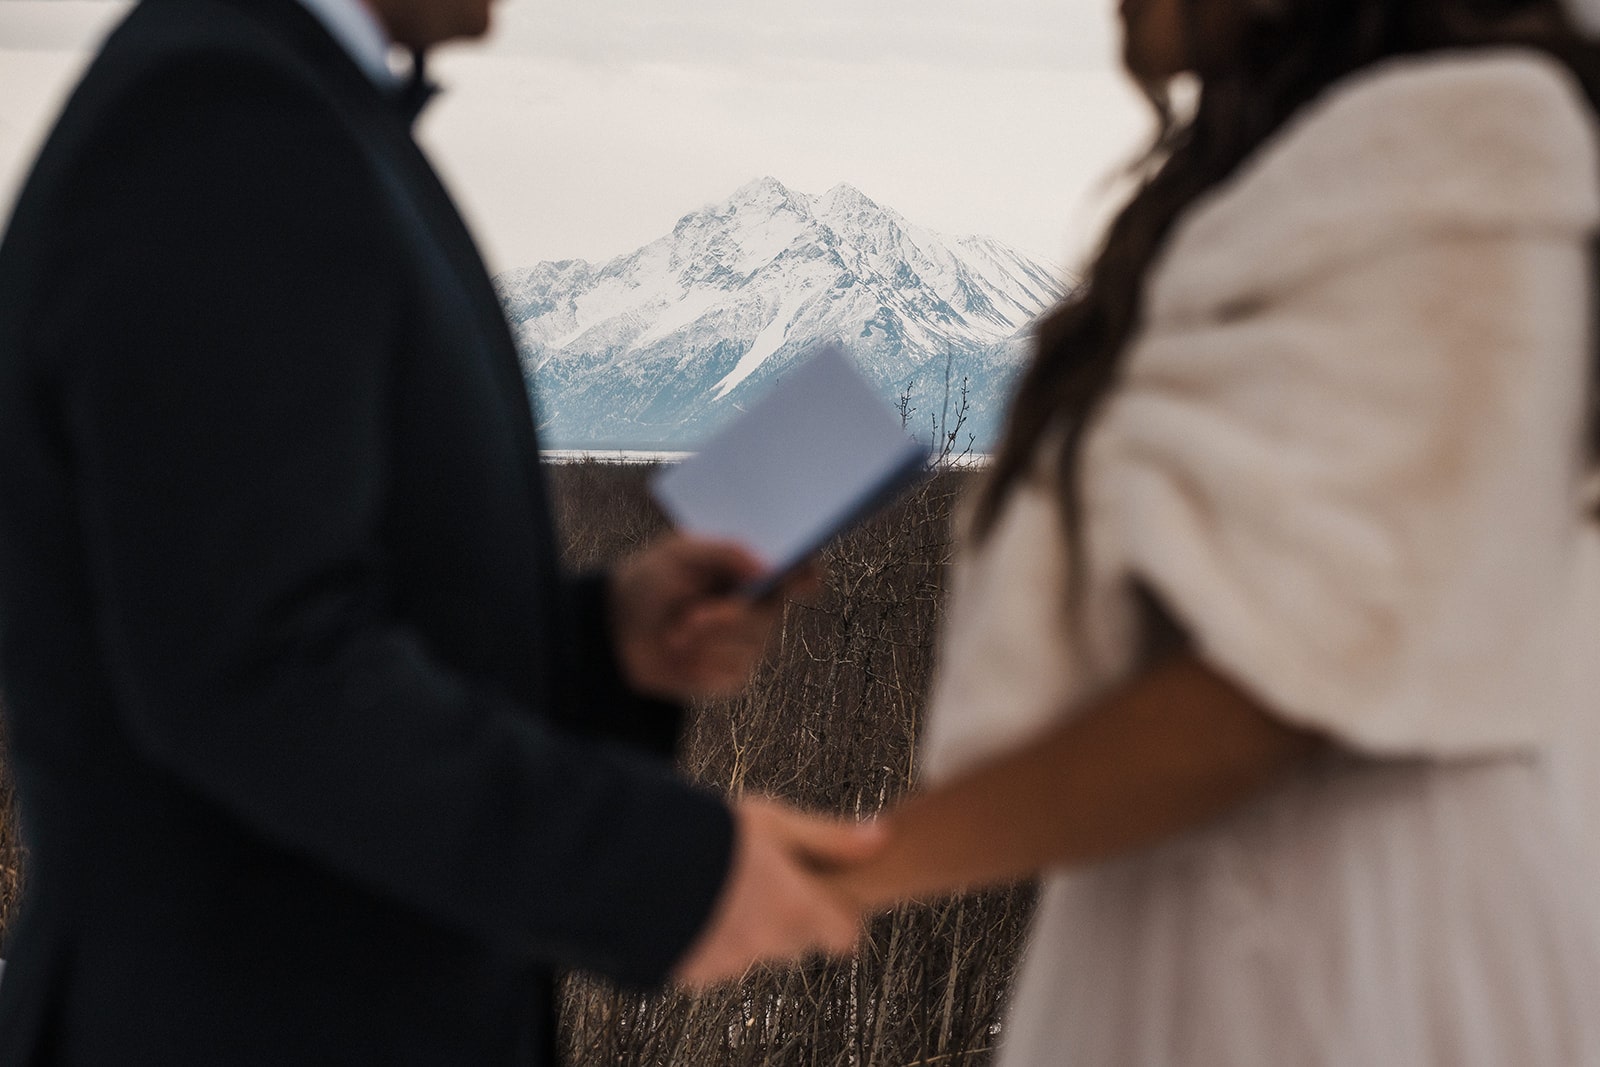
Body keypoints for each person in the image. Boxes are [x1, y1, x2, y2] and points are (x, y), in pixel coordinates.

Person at [0, 0, 877, 1062]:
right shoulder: (221, 124)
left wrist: (605, 639)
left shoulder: (279, 106)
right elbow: (258, 672)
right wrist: (660, 867)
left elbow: (285, 615)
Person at [833, 0, 1600, 1062]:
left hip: (1357, 941)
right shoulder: (1263, 198)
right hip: (1177, 916)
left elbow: (1280, 680)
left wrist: (846, 871)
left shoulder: (1464, 163)